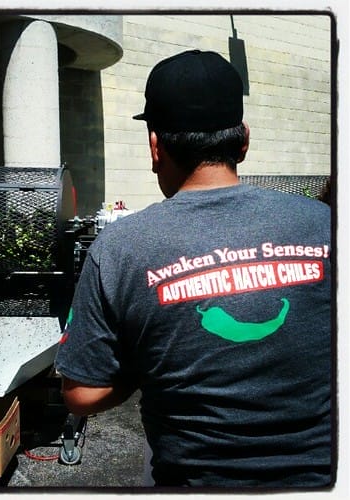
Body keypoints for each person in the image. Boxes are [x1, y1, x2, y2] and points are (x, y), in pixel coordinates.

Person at [54, 50, 332, 488]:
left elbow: (82, 394)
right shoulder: (324, 225)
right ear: (243, 140)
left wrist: (150, 363)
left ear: (155, 145)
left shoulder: (121, 247)